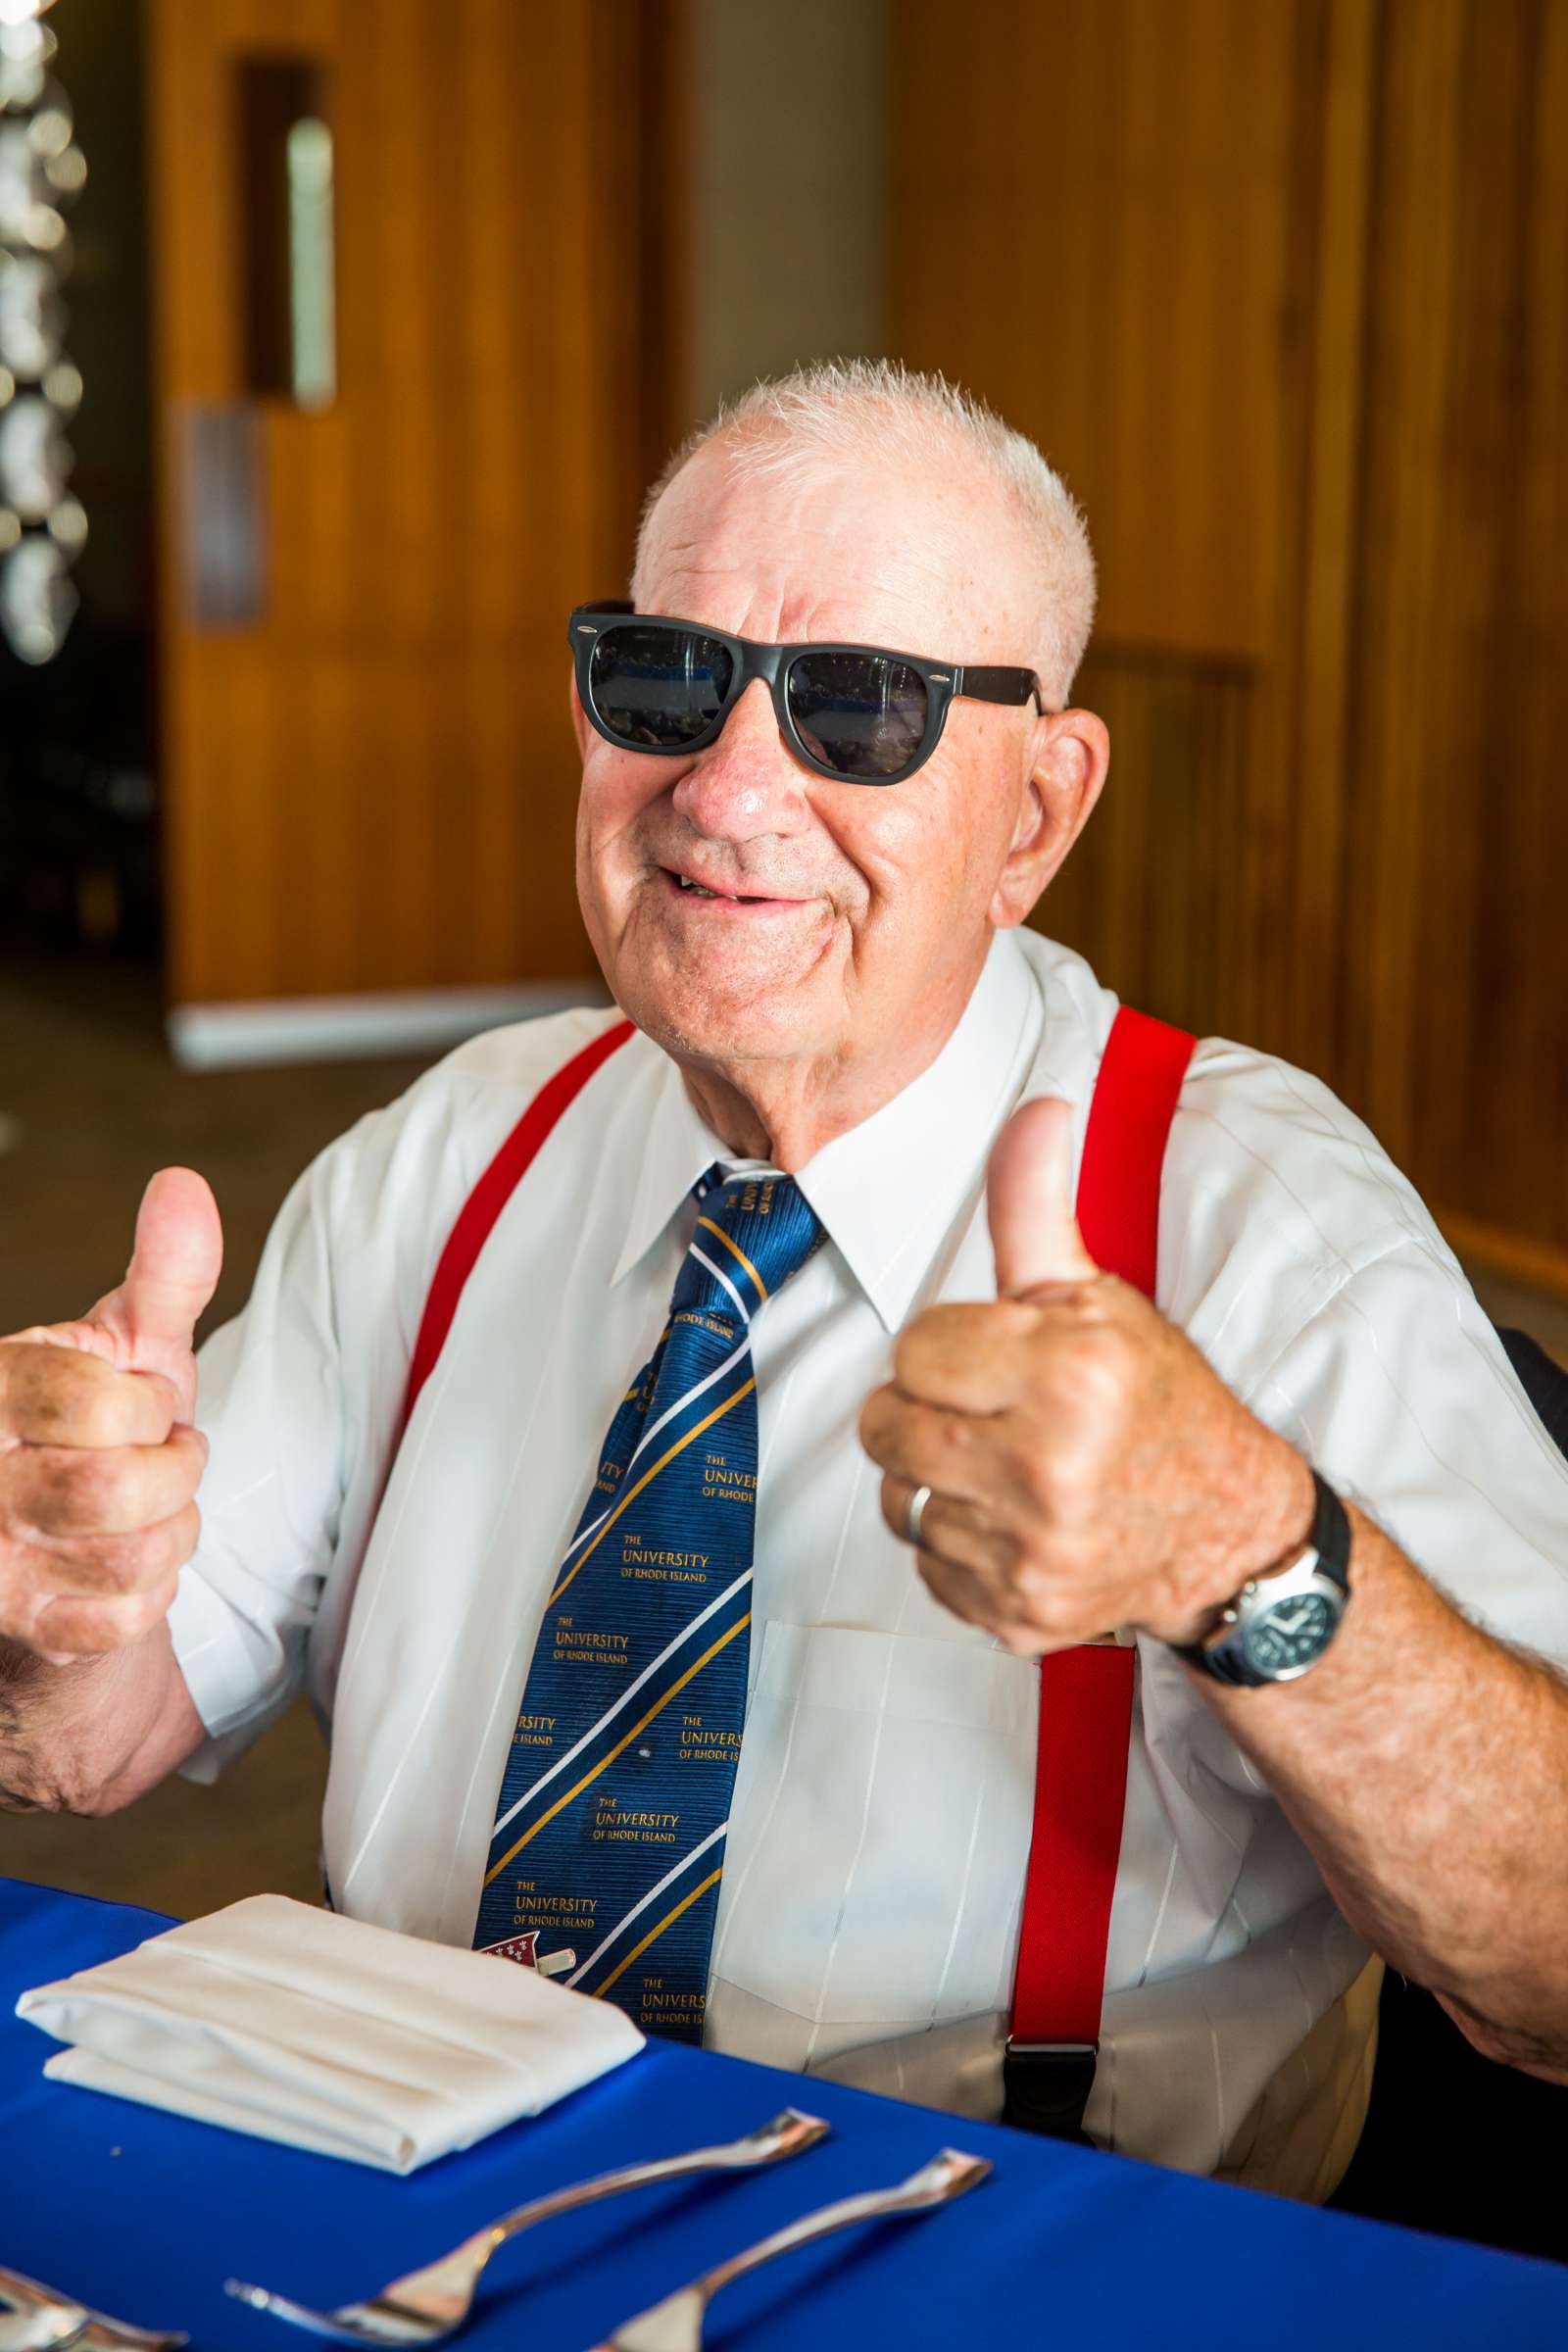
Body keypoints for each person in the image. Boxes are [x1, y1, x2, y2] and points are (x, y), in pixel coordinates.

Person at [2, 363, 1566, 2204]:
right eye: (665, 677)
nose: (729, 785)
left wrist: (1248, 1550)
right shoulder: (455, 1153)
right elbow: (84, 1743)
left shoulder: (1255, 1221)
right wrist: (51, 1592)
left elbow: (1546, 1972)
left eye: (865, 709)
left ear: (1039, 812)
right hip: (399, 2207)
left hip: (1001, 2289)